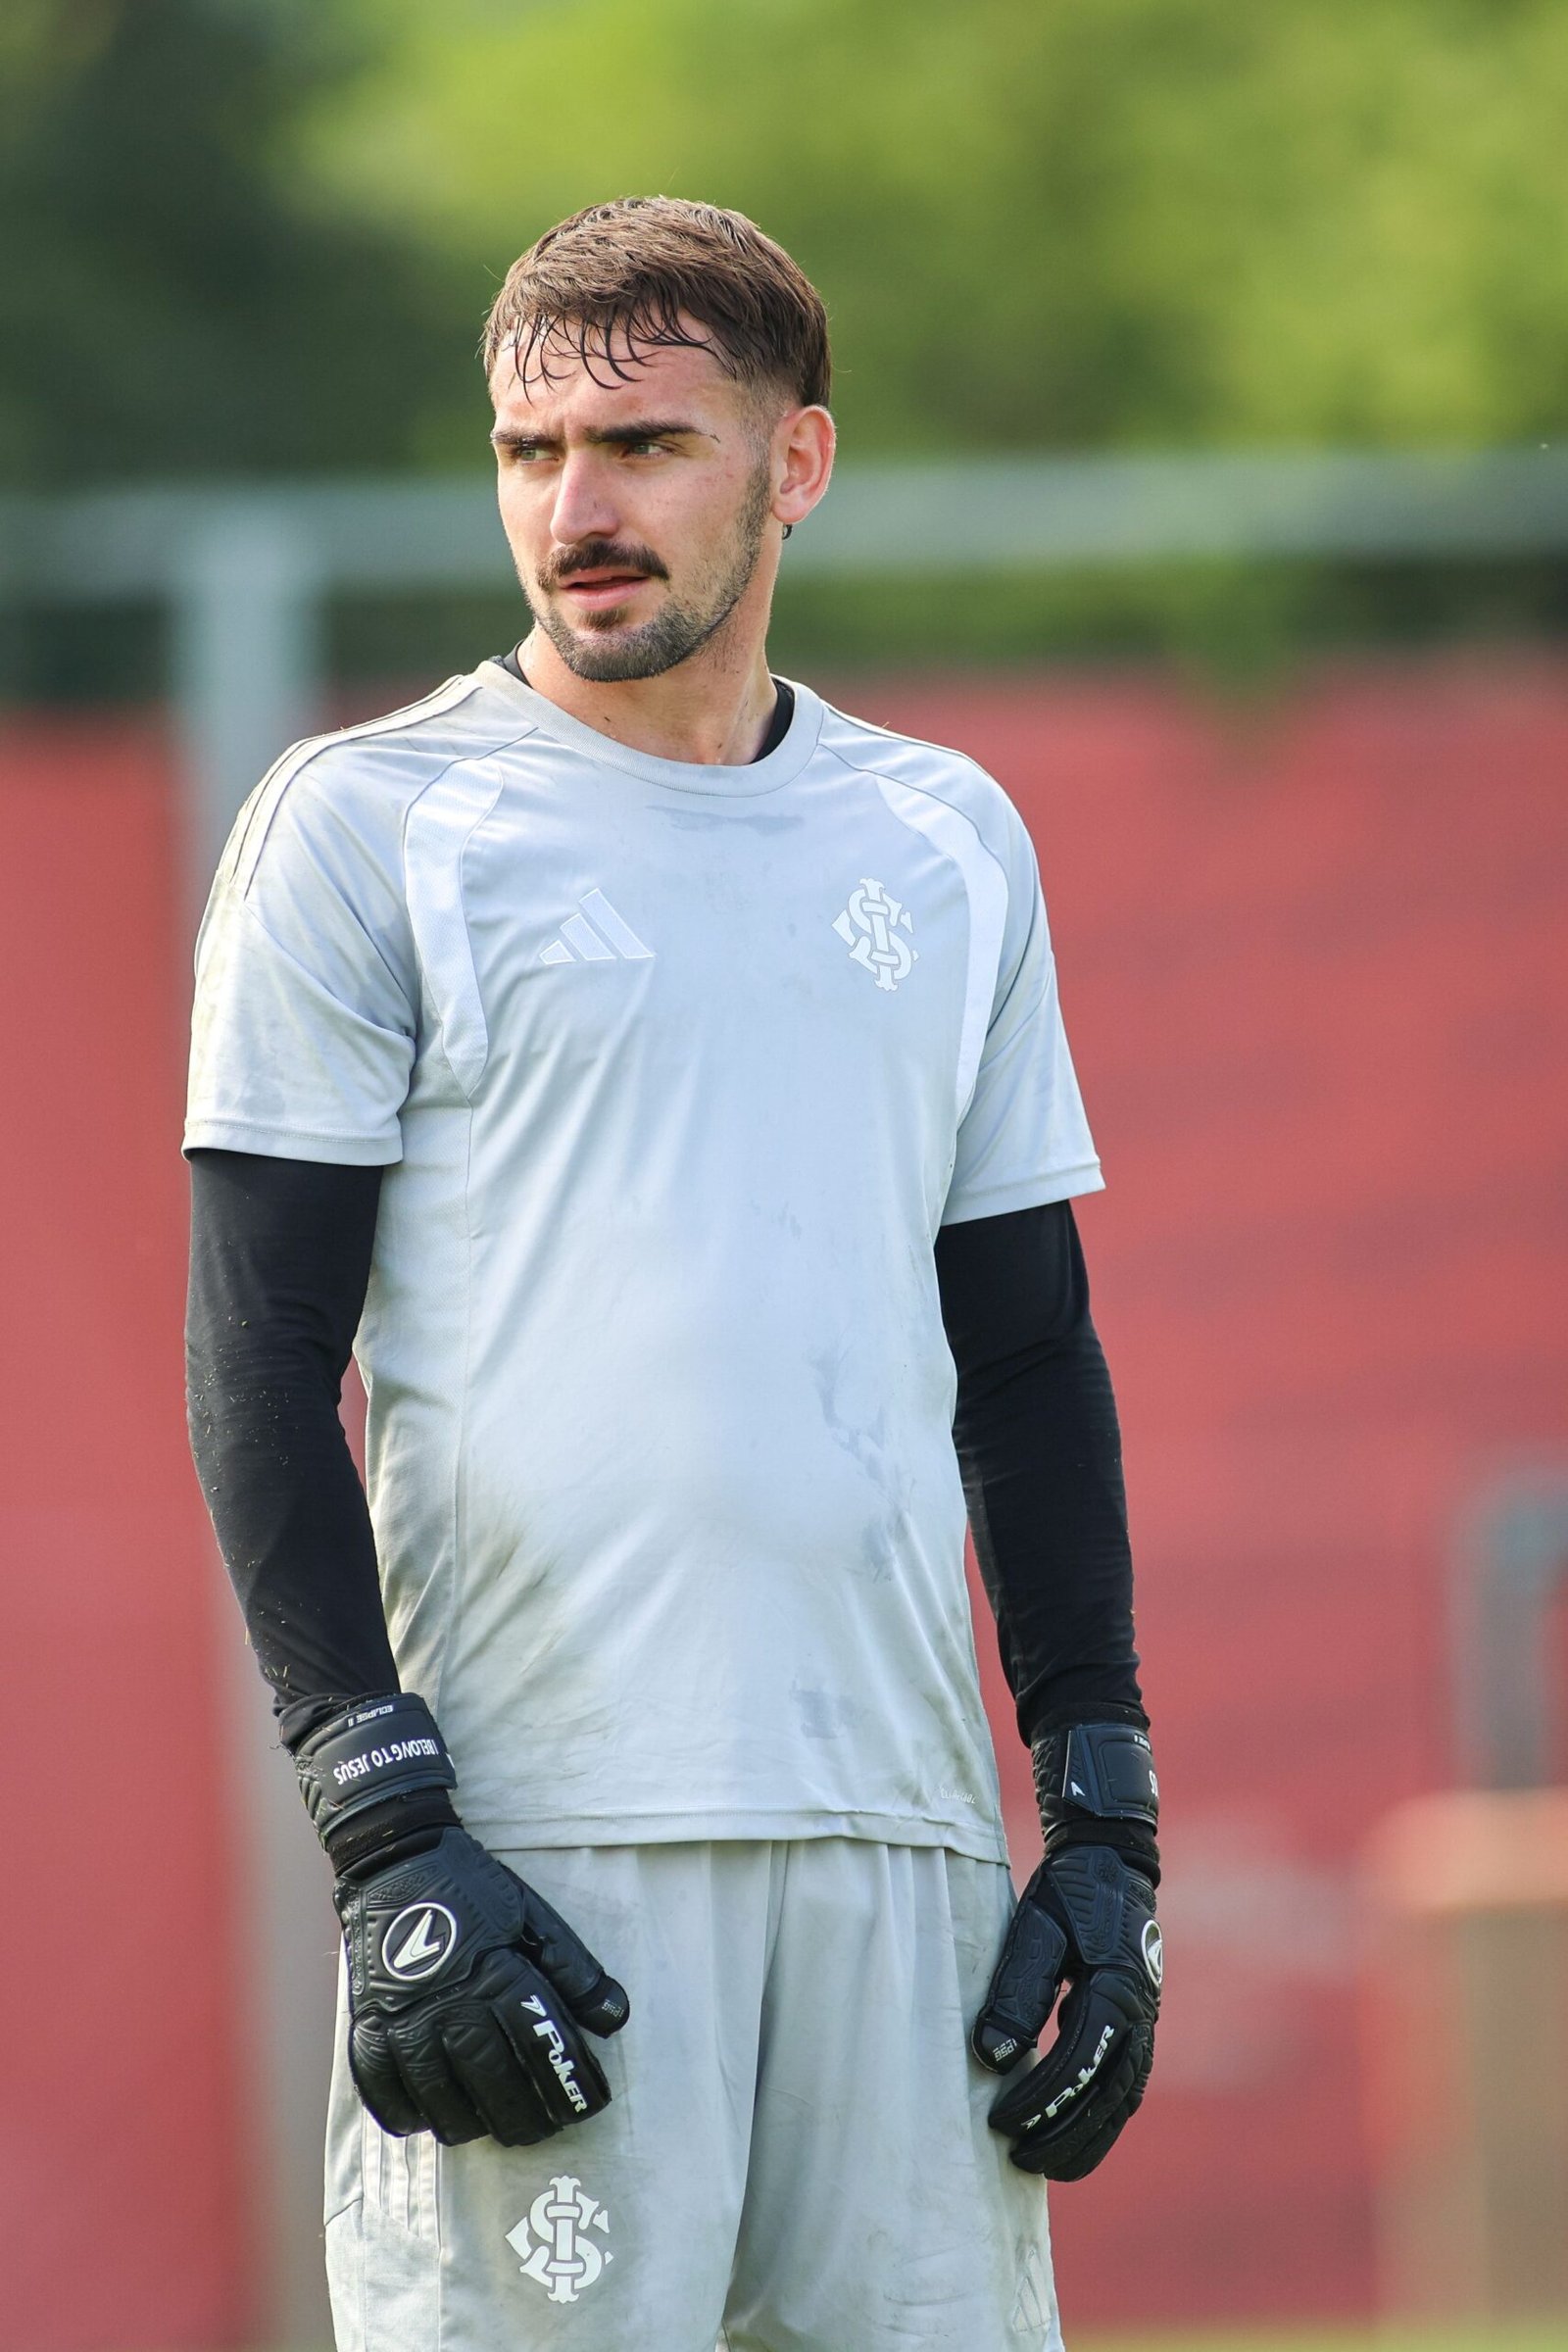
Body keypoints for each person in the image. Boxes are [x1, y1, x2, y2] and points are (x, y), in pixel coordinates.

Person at [184, 196, 1161, 2352]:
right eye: (531, 454)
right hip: (540, 1861)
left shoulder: (943, 838)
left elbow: (1024, 1352)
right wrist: (384, 1835)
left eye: (639, 444)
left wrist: (1098, 1818)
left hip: (903, 1860)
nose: (576, 508)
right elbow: (258, 1365)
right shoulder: (370, 828)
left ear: (791, 463)